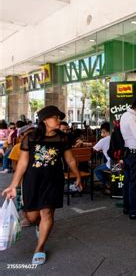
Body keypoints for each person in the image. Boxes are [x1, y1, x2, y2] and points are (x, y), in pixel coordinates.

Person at [2, 105, 82, 265]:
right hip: (32, 181)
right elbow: (23, 163)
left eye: (60, 118)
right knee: (31, 217)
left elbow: (70, 159)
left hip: (53, 181)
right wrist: (13, 185)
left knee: (47, 213)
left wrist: (77, 176)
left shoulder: (62, 138)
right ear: (45, 119)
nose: (59, 120)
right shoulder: (30, 137)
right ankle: (38, 225)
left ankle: (40, 247)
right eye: (56, 117)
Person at [93, 122, 111, 194]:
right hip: (120, 162)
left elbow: (94, 150)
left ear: (104, 131)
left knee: (97, 170)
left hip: (111, 164)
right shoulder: (116, 137)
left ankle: (107, 185)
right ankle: (109, 182)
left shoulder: (103, 140)